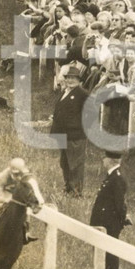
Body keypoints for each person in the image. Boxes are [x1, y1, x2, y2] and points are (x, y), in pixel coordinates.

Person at [0, 158, 45, 244]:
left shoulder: (25, 176)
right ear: (10, 172)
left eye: (20, 174)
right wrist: (5, 199)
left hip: (15, 196)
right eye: (16, 175)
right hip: (2, 194)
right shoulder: (3, 176)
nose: (19, 177)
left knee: (27, 209)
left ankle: (26, 232)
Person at [89, 150, 130, 269]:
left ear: (111, 160)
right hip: (104, 220)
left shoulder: (117, 178)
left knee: (110, 250)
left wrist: (122, 219)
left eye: (105, 158)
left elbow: (119, 203)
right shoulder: (111, 176)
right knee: (103, 249)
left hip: (110, 222)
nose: (103, 160)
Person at [50, 63, 90, 196]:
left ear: (79, 80)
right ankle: (68, 187)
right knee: (65, 163)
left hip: (75, 134)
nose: (70, 80)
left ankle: (76, 191)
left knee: (76, 164)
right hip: (63, 134)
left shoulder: (83, 94)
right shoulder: (65, 92)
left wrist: (79, 126)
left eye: (74, 78)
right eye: (68, 78)